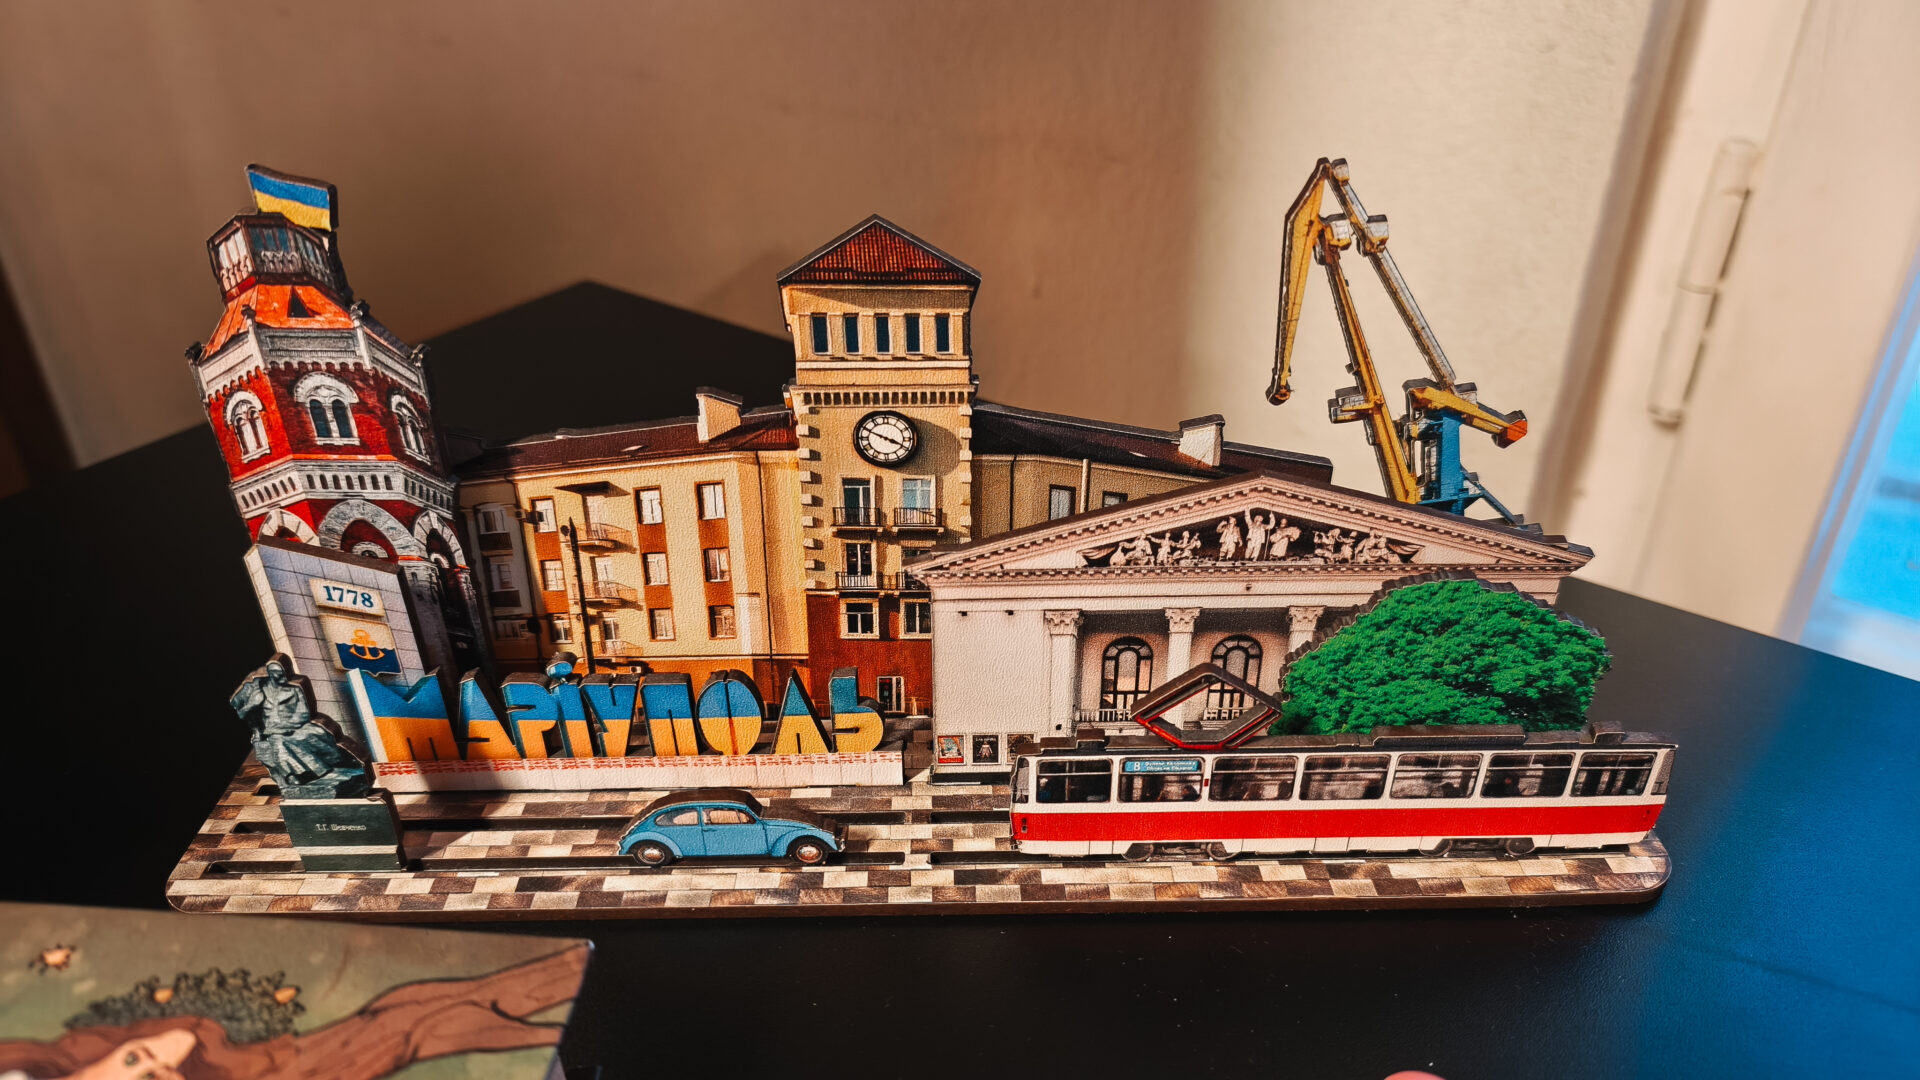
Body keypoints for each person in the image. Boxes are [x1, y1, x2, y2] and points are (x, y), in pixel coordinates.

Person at [228, 656, 371, 799]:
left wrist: (287, 727)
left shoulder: (294, 690)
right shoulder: (261, 691)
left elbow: (303, 713)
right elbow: (243, 710)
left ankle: (308, 773)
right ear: (270, 675)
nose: (279, 677)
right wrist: (254, 700)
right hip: (272, 731)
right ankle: (299, 776)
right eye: (275, 674)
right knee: (278, 741)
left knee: (306, 735)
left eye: (281, 673)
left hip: (294, 726)